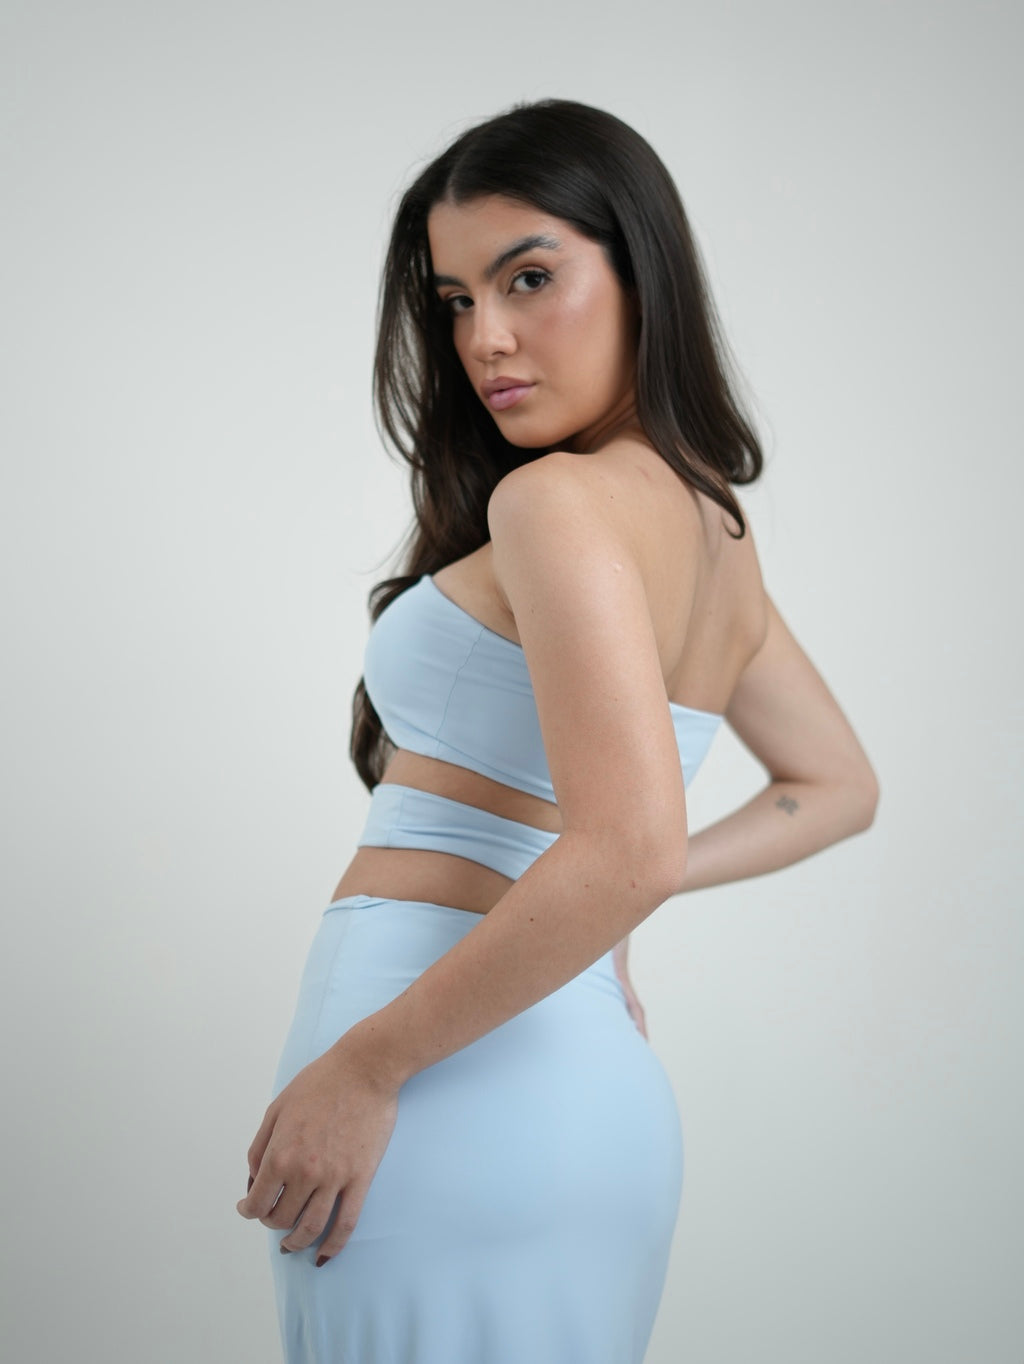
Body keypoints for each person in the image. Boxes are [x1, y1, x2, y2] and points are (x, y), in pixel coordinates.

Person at [236, 98, 879, 1363]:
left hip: (436, 1083)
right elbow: (835, 783)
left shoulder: (554, 503)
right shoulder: (716, 533)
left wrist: (365, 1066)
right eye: (456, 299)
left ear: (642, 271)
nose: (486, 336)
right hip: (584, 1093)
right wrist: (602, 896)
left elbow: (629, 846)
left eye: (529, 277)